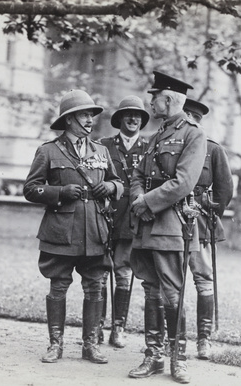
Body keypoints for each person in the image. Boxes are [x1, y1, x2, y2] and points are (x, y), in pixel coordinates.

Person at [23, 89, 123, 365]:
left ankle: (90, 345)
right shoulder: (48, 151)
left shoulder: (101, 151)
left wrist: (111, 186)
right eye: (83, 115)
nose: (90, 120)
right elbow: (30, 189)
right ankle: (55, 345)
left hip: (95, 230)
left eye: (91, 114)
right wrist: (59, 192)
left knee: (95, 287)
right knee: (59, 286)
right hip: (61, 230)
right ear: (69, 120)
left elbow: (120, 182)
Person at [128, 71, 206, 384]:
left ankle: (178, 358)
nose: (150, 102)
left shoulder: (192, 134)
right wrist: (138, 200)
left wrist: (146, 202)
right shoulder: (155, 136)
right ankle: (153, 355)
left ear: (169, 99)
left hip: (172, 225)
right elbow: (137, 176)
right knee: (150, 291)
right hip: (147, 226)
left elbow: (184, 182)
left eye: (154, 97)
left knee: (172, 294)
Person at [182, 98, 233, 360]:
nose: (191, 121)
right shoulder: (171, 144)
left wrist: (210, 213)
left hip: (200, 222)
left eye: (196, 118)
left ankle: (204, 339)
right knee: (172, 281)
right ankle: (176, 339)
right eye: (188, 116)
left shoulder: (212, 149)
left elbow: (225, 189)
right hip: (170, 221)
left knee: (203, 278)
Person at [98, 95, 150, 348]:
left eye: (137, 115)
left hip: (132, 219)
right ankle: (96, 326)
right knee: (98, 272)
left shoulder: (149, 147)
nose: (133, 119)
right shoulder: (103, 146)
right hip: (106, 215)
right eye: (128, 115)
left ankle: (118, 327)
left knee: (123, 273)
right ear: (119, 120)